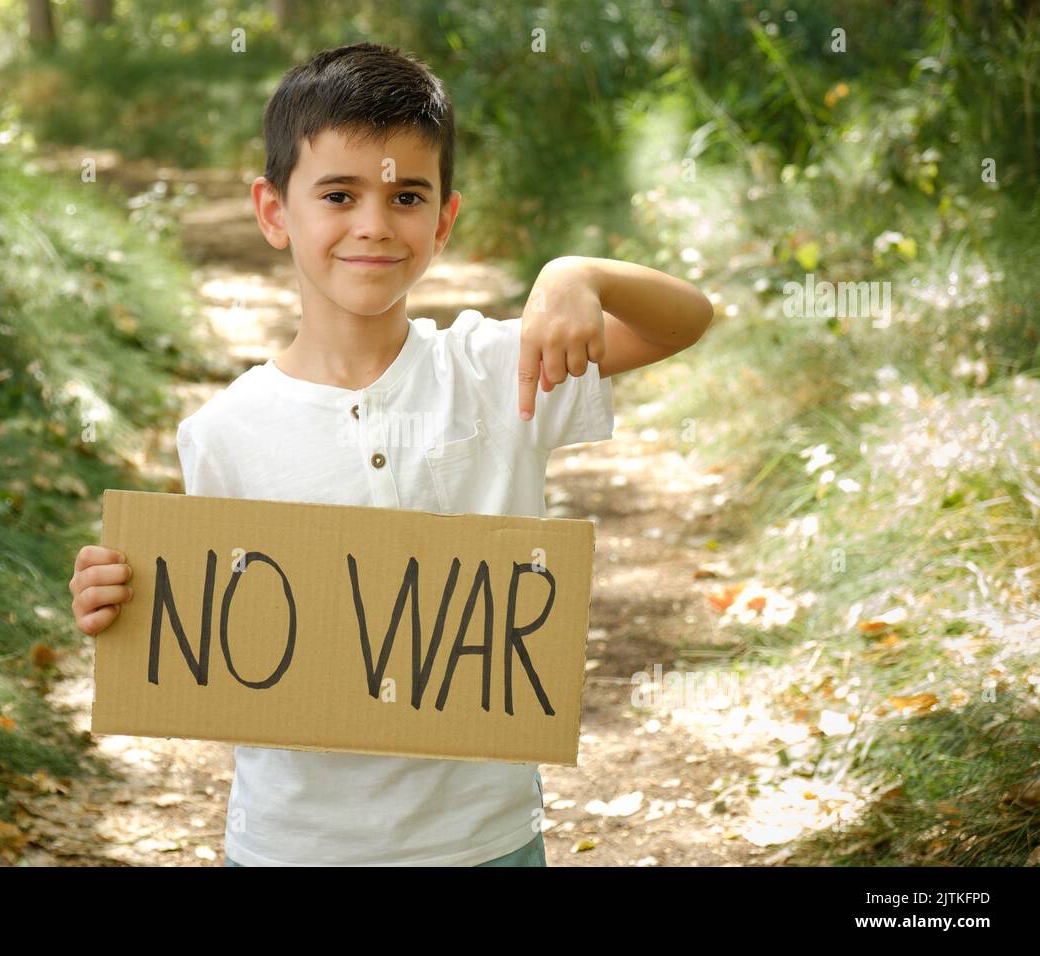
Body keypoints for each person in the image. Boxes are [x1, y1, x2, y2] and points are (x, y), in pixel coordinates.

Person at [68, 41, 713, 867]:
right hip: (289, 846)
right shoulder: (223, 433)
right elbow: (219, 640)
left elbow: (684, 321)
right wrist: (121, 606)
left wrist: (574, 274)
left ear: (443, 219)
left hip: (485, 841)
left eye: (406, 195)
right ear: (275, 212)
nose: (374, 223)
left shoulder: (495, 371)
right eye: (339, 194)